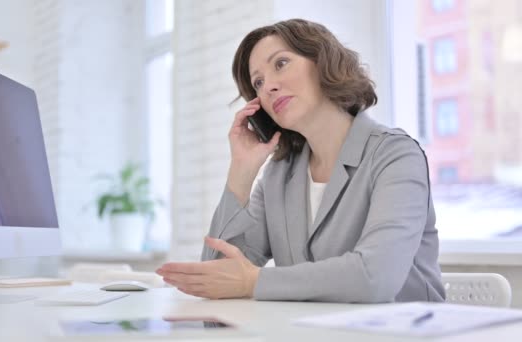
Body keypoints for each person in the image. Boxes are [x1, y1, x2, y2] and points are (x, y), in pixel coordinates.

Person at [156, 18, 445, 303]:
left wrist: (253, 281)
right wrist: (241, 171)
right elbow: (217, 276)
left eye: (280, 63)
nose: (268, 86)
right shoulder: (278, 175)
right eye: (258, 82)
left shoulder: (395, 155)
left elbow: (375, 277)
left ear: (322, 61)